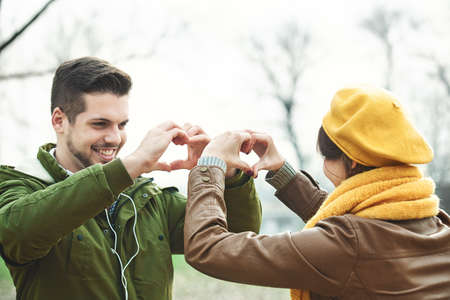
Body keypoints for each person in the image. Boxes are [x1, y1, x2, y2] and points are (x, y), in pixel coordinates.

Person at [0, 56, 261, 300]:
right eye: (100, 124)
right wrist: (132, 165)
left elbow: (235, 236)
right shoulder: (18, 185)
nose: (115, 138)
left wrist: (222, 171)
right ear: (60, 121)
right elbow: (17, 235)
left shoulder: (147, 197)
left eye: (122, 125)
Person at [184, 86, 450, 300]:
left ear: (352, 161)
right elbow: (361, 228)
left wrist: (210, 165)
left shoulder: (346, 246)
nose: (324, 167)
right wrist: (283, 173)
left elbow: (208, 249)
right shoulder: (436, 224)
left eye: (326, 157)